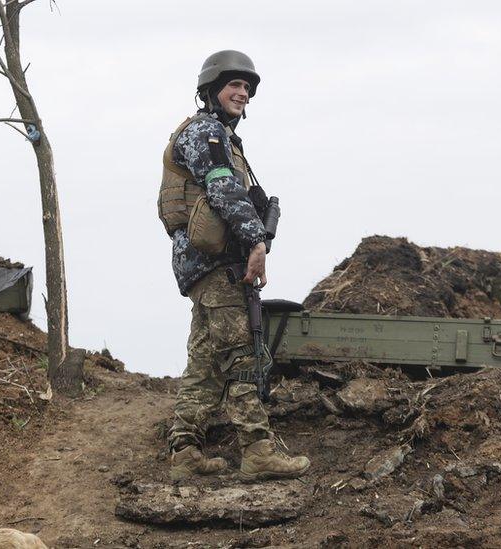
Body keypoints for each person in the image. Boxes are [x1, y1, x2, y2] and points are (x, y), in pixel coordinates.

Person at [157, 50, 311, 481]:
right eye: (234, 85)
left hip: (203, 268)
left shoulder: (212, 133)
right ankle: (258, 452)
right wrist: (256, 241)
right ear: (211, 90)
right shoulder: (206, 132)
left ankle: (185, 454)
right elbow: (223, 190)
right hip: (218, 266)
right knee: (244, 356)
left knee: (205, 364)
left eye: (247, 87)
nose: (242, 93)